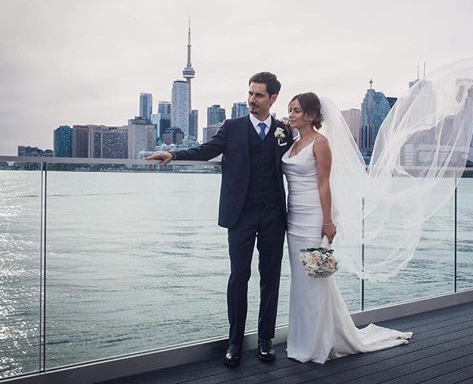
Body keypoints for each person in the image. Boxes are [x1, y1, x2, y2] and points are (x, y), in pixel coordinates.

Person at [145, 72, 294, 368]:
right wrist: (173, 155)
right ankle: (235, 342)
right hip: (239, 214)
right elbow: (205, 151)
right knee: (239, 276)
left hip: (273, 215)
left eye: (259, 95)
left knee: (271, 278)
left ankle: (265, 340)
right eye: (250, 93)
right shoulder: (232, 127)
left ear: (273, 98)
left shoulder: (284, 131)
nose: (252, 100)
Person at [282, 92, 412, 364]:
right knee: (301, 282)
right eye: (290, 110)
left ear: (311, 116)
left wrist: (327, 221)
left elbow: (323, 183)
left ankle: (319, 342)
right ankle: (304, 338)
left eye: (295, 111)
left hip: (313, 219)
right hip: (292, 219)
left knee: (315, 279)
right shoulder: (293, 143)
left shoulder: (320, 143)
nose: (290, 115)